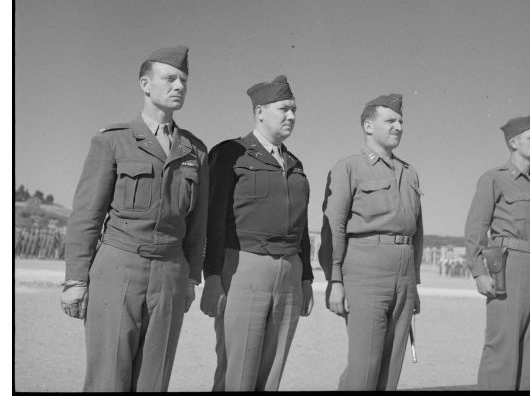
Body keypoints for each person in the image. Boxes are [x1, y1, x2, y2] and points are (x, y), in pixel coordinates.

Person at [61, 46, 208, 392]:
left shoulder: (195, 151)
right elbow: (86, 215)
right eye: (170, 78)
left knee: (153, 382)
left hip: (171, 274)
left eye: (184, 80)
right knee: (108, 380)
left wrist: (190, 279)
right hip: (118, 268)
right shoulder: (113, 141)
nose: (179, 86)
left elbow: (197, 225)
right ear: (145, 84)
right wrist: (74, 280)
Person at [200, 75, 314, 391]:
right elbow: (212, 219)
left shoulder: (295, 163)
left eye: (294, 110)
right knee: (237, 372)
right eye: (284, 109)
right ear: (260, 111)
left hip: (289, 274)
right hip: (242, 269)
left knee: (272, 372)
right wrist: (211, 277)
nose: (291, 116)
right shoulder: (230, 153)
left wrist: (306, 279)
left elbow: (302, 226)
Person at [319, 94, 423, 391]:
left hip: (403, 275)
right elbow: (334, 226)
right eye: (390, 120)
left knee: (391, 370)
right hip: (366, 271)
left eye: (401, 121)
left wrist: (413, 284)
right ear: (368, 126)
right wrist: (334, 279)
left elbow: (417, 231)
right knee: (364, 368)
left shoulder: (409, 172)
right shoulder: (349, 167)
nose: (399, 126)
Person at [465, 115, 530, 390]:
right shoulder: (494, 179)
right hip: (507, 269)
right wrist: (478, 272)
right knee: (502, 348)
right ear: (513, 143)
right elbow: (476, 227)